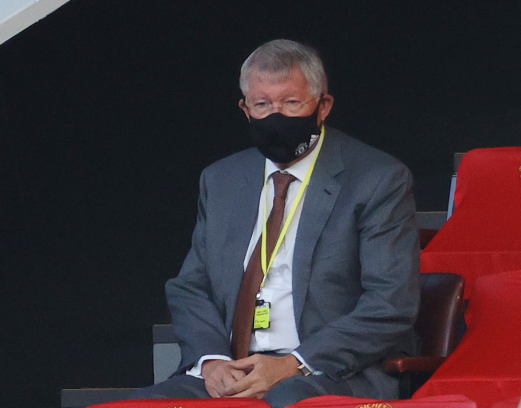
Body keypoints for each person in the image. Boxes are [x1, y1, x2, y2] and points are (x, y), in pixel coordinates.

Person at [130, 39, 420, 407]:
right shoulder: (221, 180)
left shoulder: (377, 179)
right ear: (245, 109)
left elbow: (390, 303)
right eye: (263, 104)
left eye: (291, 103)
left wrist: (293, 364)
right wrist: (211, 362)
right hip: (232, 370)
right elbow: (190, 287)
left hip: (328, 373)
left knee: (287, 398)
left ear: (323, 106)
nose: (276, 116)